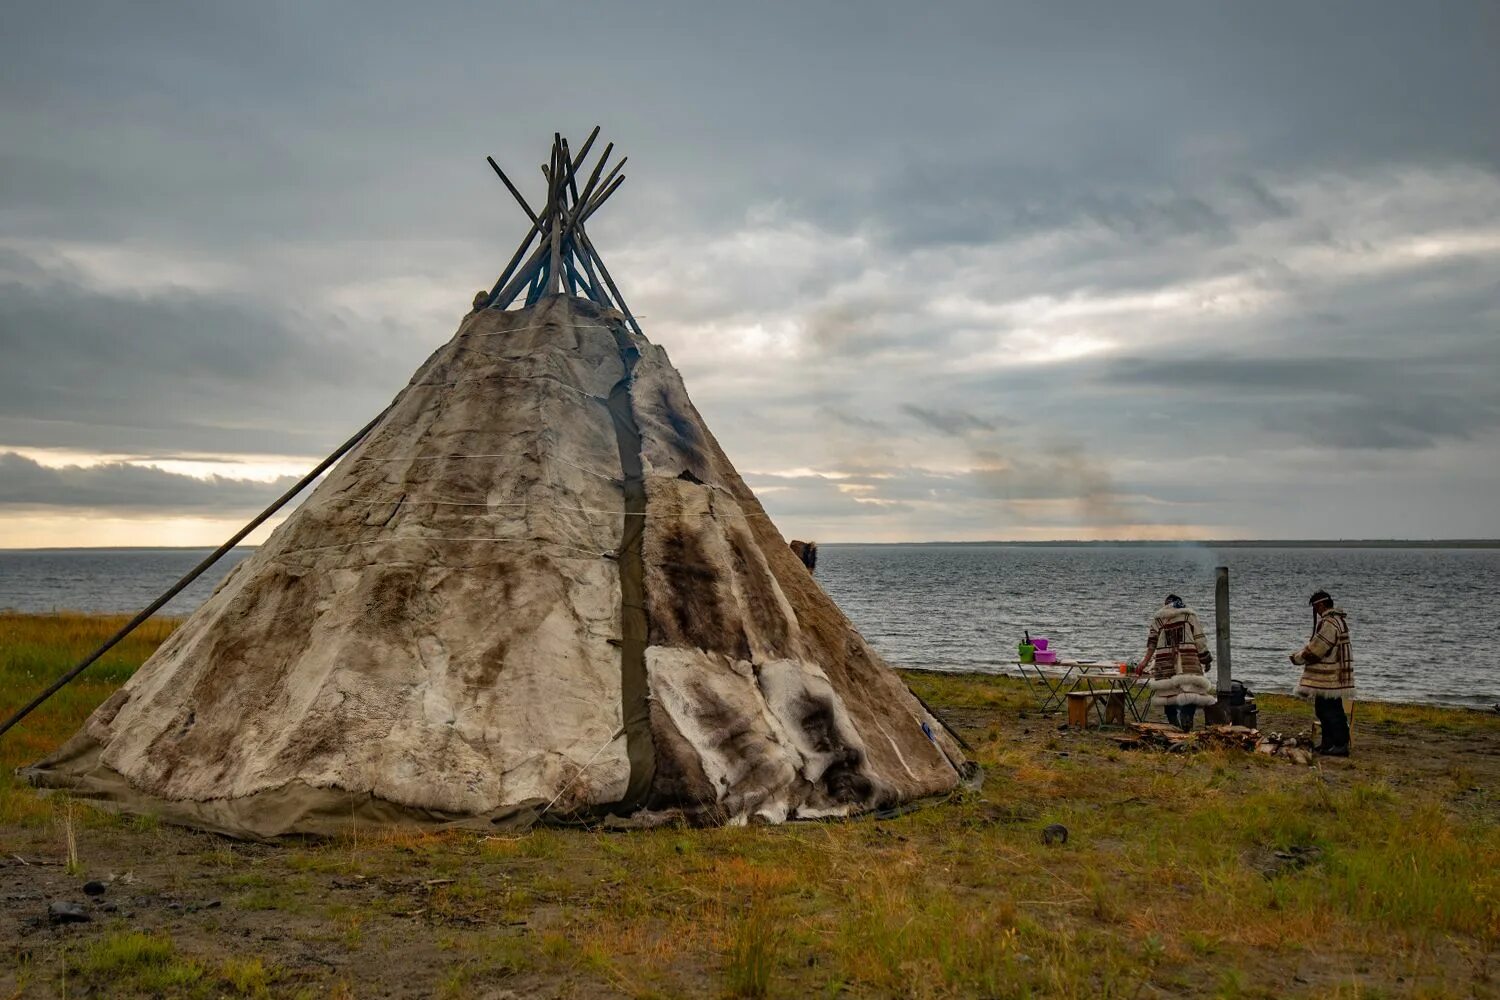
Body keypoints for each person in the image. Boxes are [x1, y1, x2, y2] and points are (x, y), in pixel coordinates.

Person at [1290, 590, 1354, 757]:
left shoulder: (1329, 624)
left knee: (1330, 711)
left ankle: (1340, 744)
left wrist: (1297, 658)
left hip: (1329, 678)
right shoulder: (1338, 621)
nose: (1316, 611)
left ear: (1321, 605)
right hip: (1334, 677)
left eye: (1316, 607)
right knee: (1326, 710)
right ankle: (1328, 743)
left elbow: (1317, 649)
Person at [1140, 594, 1215, 731]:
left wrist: (1144, 663)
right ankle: (1186, 723)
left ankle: (1174, 726)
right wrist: (1206, 660)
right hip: (1188, 662)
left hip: (1165, 664)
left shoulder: (1159, 619)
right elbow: (1200, 641)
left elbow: (1152, 644)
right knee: (1190, 692)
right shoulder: (1189, 616)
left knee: (1169, 695)